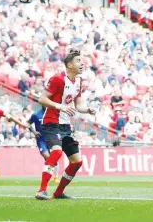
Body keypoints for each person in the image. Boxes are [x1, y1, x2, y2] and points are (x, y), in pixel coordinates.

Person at [35, 49, 96, 200]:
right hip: (51, 122)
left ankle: (58, 192)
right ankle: (41, 190)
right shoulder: (58, 79)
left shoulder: (78, 82)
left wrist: (87, 109)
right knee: (56, 152)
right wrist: (59, 106)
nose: (82, 63)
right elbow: (42, 99)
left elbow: (79, 105)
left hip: (65, 125)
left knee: (77, 162)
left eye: (82, 61)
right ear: (69, 65)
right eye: (78, 61)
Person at [27, 108, 60, 183]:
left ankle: (55, 177)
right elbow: (28, 123)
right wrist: (34, 132)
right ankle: (49, 176)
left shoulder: (53, 113)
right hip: (41, 140)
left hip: (51, 139)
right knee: (48, 157)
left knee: (53, 158)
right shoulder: (36, 115)